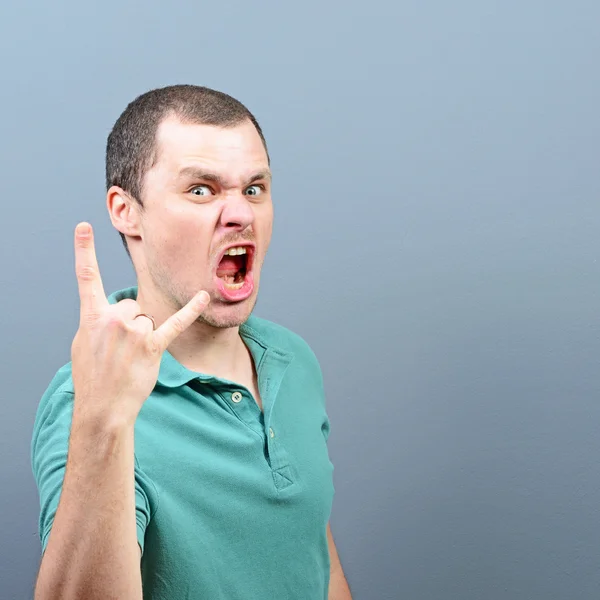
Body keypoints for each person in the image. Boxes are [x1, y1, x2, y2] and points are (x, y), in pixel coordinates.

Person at [31, 85, 352, 600]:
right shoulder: (86, 402)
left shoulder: (292, 359)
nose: (241, 214)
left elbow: (311, 550)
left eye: (253, 189)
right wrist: (103, 421)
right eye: (201, 190)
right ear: (126, 210)